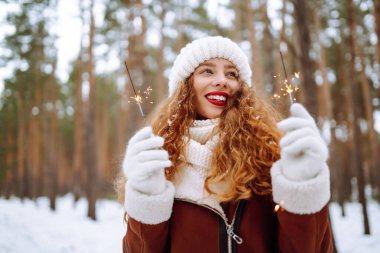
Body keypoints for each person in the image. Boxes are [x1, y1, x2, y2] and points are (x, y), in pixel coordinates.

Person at [118, 36, 333, 253]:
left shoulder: (270, 157)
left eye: (231, 73)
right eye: (207, 71)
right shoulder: (161, 163)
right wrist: (146, 196)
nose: (222, 80)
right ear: (185, 86)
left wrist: (303, 187)